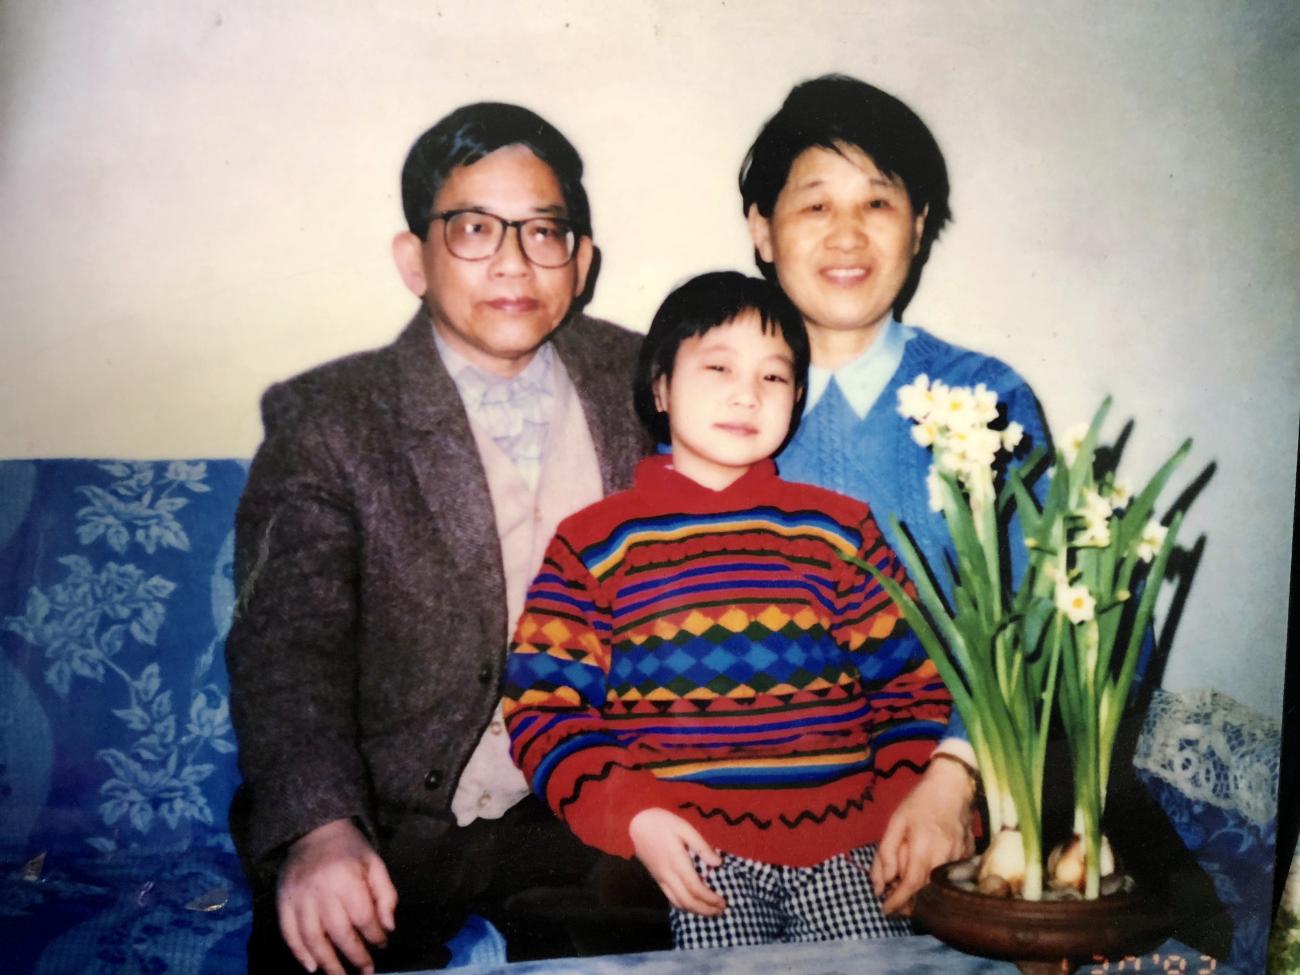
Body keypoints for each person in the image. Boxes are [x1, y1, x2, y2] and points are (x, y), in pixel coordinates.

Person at [225, 102, 653, 975]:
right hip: (390, 818)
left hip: (591, 806)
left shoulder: (650, 380)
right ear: (413, 259)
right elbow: (288, 648)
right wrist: (320, 826)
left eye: (543, 231)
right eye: (473, 228)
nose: (513, 261)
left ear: (581, 262)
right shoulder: (330, 418)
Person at [503, 272, 960, 948]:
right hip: (689, 853)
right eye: (718, 367)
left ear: (796, 398)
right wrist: (632, 817)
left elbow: (911, 688)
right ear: (660, 387)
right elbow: (543, 706)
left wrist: (899, 808)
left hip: (851, 846)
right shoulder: (593, 542)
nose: (748, 393)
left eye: (774, 376)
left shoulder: (841, 529)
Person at [740, 74, 1051, 915]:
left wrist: (956, 774)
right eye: (815, 205)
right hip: (760, 823)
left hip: (963, 805)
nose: (847, 234)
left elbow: (1047, 610)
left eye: (877, 203)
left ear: (917, 224)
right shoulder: (715, 405)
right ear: (762, 229)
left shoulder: (985, 399)